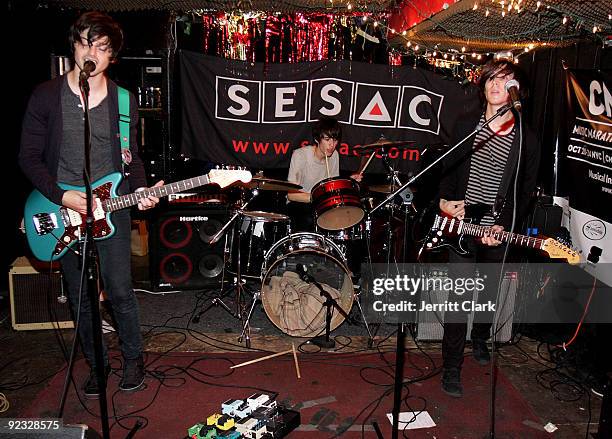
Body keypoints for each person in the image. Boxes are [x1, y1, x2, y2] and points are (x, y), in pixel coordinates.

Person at [19, 11, 163, 398]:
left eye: (101, 47)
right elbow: (28, 157)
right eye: (85, 43)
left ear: (112, 54)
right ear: (74, 46)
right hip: (62, 209)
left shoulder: (123, 100)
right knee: (81, 298)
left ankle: (134, 360)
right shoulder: (46, 96)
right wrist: (62, 195)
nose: (92, 53)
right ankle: (97, 366)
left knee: (120, 292)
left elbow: (130, 157)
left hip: (112, 209)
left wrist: (143, 190)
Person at [438, 60, 541, 397]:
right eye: (491, 79)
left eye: (505, 79)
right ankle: (451, 366)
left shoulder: (526, 135)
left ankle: (480, 337)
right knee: (458, 299)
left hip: (497, 228)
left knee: (486, 293)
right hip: (464, 227)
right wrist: (445, 201)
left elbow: (525, 191)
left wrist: (500, 225)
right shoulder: (467, 123)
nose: (496, 85)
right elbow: (449, 167)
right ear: (483, 86)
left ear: (516, 89)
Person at [286, 117, 361, 232]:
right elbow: (292, 195)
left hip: (321, 206)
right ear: (317, 139)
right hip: (299, 205)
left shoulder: (334, 155)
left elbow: (332, 186)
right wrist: (318, 198)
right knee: (309, 218)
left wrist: (348, 181)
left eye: (335, 140)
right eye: (327, 140)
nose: (332, 145)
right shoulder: (300, 155)